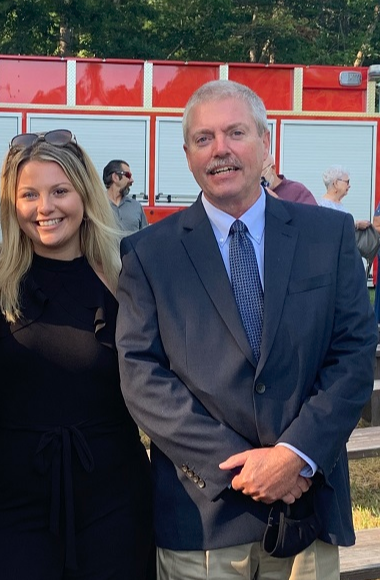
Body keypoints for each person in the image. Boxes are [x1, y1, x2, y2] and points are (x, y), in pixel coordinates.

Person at [116, 80, 377, 580]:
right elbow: (142, 377)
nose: (221, 150)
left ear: (265, 142)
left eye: (235, 133)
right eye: (203, 138)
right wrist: (241, 469)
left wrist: (293, 458)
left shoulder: (328, 235)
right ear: (188, 155)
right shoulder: (150, 254)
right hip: (202, 523)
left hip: (308, 510)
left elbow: (354, 353)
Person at [0, 130, 153, 579]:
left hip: (113, 503)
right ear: (13, 203)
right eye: (30, 195)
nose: (45, 208)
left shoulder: (123, 276)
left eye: (60, 191)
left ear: (84, 194)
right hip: (11, 505)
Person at [319, 166, 371, 230]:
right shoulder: (324, 206)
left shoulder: (337, 203)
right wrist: (356, 224)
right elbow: (334, 227)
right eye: (347, 182)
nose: (349, 186)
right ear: (336, 183)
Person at [103, 159, 148, 232]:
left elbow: (145, 237)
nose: (131, 180)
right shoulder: (95, 206)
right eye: (128, 175)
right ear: (115, 177)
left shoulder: (136, 206)